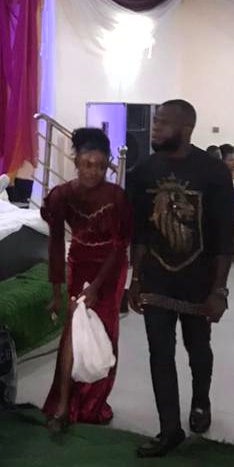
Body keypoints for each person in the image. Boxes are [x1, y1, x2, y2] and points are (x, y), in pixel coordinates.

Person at [128, 100, 234, 458]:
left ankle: (201, 400)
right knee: (159, 351)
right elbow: (140, 232)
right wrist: (136, 278)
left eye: (163, 122)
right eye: (155, 121)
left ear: (186, 129)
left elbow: (224, 237)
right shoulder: (144, 171)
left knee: (197, 347)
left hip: (198, 279)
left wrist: (219, 289)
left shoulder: (213, 172)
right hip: (156, 277)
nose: (155, 127)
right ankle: (169, 429)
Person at [41, 127, 132, 431]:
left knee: (103, 333)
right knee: (73, 331)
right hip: (79, 264)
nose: (94, 171)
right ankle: (63, 406)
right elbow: (55, 243)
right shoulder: (61, 195)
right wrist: (56, 290)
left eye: (101, 166)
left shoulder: (116, 196)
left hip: (110, 267)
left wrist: (96, 287)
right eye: (87, 164)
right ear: (76, 162)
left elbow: (120, 245)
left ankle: (92, 404)